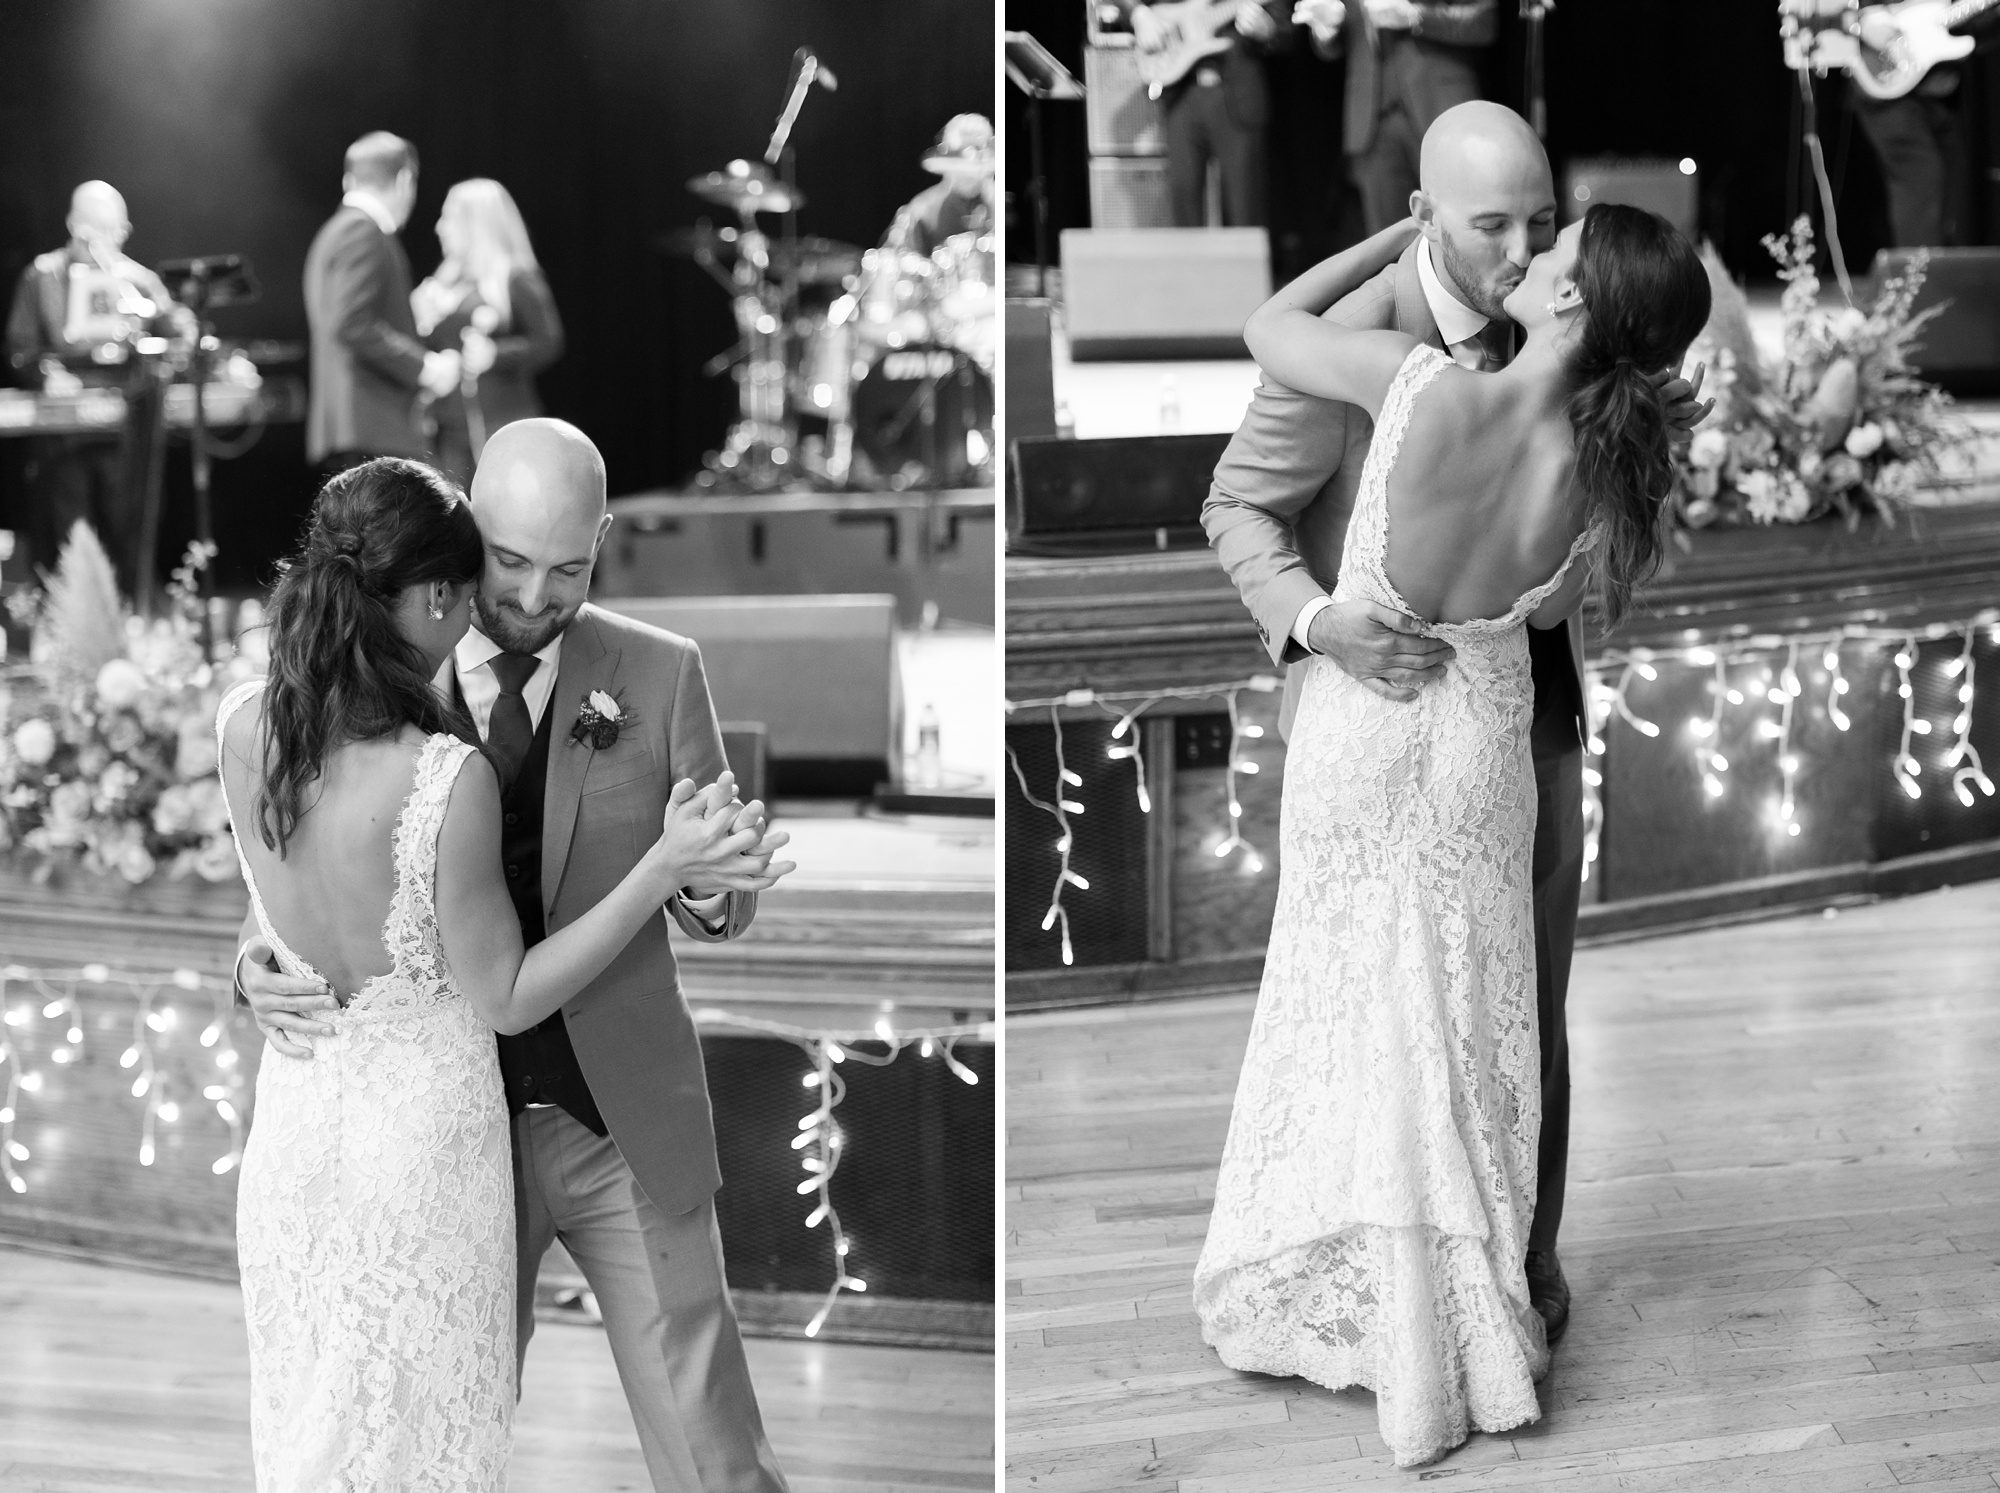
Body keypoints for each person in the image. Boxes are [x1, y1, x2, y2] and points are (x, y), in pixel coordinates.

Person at [1191, 105, 1712, 1459]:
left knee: (1519, 1018)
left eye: (1546, 224)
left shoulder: (1437, 384)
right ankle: (1419, 1295)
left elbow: (1273, 321)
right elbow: (1234, 507)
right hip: (1385, 702)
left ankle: (1517, 1277)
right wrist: (1314, 618)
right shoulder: (1425, 354)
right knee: (1400, 1018)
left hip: (1510, 729)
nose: (1525, 248)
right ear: (1428, 216)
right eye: (1495, 227)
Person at [239, 420, 796, 1491]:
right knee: (442, 1417)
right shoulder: (375, 669)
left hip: (617, 1117)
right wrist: (251, 957)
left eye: (569, 566)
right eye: (508, 561)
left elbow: (714, 903)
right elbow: (297, 858)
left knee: (707, 1433)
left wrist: (719, 875)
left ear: (603, 541)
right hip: (448, 1139)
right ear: (462, 535)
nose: (537, 594)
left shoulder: (661, 671)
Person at [3, 180, 195, 590]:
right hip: (64, 437)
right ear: (74, 225)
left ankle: (130, 630)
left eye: (117, 231)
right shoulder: (43, 276)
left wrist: (183, 333)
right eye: (96, 230)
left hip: (124, 429)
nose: (107, 241)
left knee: (126, 532)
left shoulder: (135, 280)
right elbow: (20, 348)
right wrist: (46, 375)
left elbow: (178, 328)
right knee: (70, 539)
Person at [303, 132, 461, 477]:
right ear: (405, 179)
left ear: (349, 179)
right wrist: (426, 368)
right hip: (374, 428)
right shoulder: (364, 231)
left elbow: (348, 319)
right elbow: (352, 323)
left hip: (351, 427)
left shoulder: (334, 231)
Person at [411, 178, 565, 487]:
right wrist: (420, 319)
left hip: (503, 423)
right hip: (447, 427)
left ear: (475, 223)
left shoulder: (515, 277)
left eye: (449, 217)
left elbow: (549, 341)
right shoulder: (443, 283)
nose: (440, 227)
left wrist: (496, 354)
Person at [1293, 0, 1494, 235]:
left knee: (1466, 231)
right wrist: (1328, 28)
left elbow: (1484, 22)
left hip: (1440, 107)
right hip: (1372, 119)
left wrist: (1416, 16)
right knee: (1388, 245)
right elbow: (1336, 44)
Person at [1120, 0, 1295, 227]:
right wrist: (1139, 14)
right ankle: (1189, 262)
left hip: (1235, 94)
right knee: (1184, 207)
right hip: (1181, 94)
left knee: (1245, 211)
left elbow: (1288, 33)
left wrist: (1269, 30)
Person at [883, 113, 996, 257]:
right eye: (958, 164)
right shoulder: (921, 210)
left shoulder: (1002, 207)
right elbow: (899, 264)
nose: (967, 173)